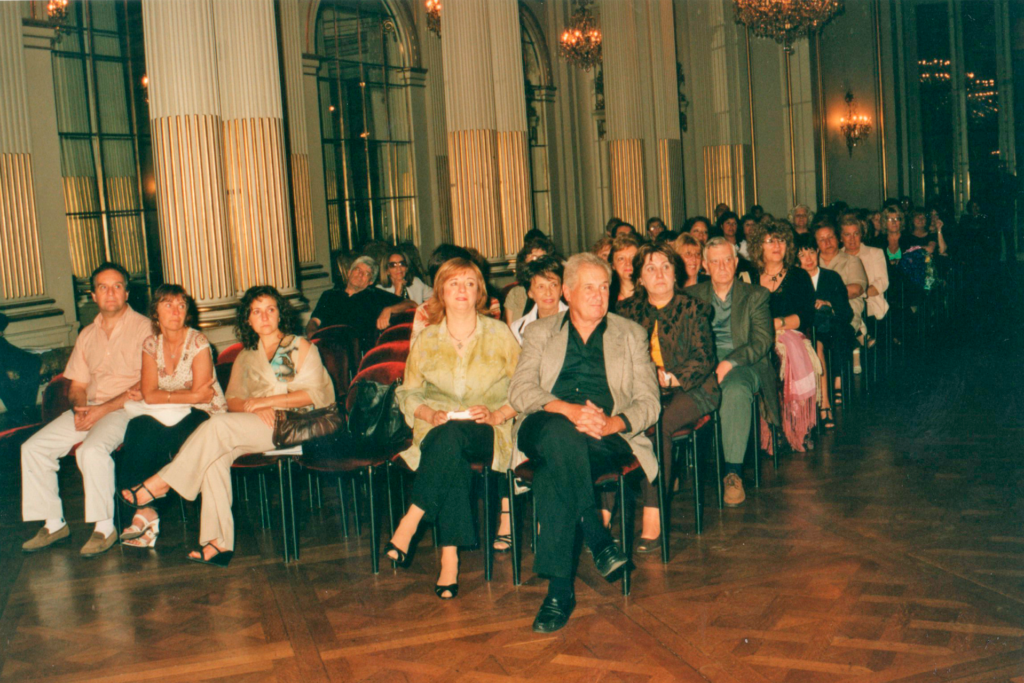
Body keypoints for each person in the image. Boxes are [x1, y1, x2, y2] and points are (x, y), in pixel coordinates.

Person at [122, 286, 334, 567]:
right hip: (258, 425)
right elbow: (232, 400)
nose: (264, 317)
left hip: (296, 423)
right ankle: (218, 542)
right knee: (215, 455)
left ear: (280, 314)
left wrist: (266, 403)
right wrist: (252, 407)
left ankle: (162, 483)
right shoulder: (247, 355)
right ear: (248, 319)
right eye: (256, 312)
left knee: (217, 428)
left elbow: (316, 394)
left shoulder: (297, 345)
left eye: (270, 309)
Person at [510, 252, 660, 633]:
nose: (599, 295)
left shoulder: (630, 334)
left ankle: (559, 593)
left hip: (602, 437)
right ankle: (597, 537)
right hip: (544, 427)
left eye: (605, 287)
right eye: (589, 287)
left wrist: (613, 424)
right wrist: (568, 410)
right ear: (567, 291)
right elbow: (520, 390)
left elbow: (649, 402)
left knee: (551, 474)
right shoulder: (541, 333)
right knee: (560, 433)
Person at [386, 259, 520, 599]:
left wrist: (497, 414)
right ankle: (449, 560)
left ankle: (411, 521)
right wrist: (428, 412)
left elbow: (524, 388)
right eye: (454, 283)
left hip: (486, 429)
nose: (462, 290)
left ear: (479, 292)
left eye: (470, 283)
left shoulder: (500, 333)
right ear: (441, 293)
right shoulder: (427, 339)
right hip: (439, 428)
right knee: (449, 450)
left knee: (450, 444)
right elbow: (408, 392)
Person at [21, 262, 151, 556]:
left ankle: (104, 528)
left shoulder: (145, 328)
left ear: (127, 292)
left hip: (127, 409)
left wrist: (100, 411)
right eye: (103, 287)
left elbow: (145, 385)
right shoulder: (86, 335)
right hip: (90, 408)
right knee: (33, 448)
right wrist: (80, 408)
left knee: (90, 451)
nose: (110, 293)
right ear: (93, 296)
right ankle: (54, 523)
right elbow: (77, 384)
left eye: (117, 286)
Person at [617, 243, 718, 550]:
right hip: (644, 391)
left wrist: (673, 376)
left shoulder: (695, 308)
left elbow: (704, 356)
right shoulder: (625, 311)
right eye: (650, 268)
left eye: (665, 267)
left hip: (694, 388)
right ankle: (604, 513)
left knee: (656, 428)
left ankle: (653, 517)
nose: (659, 274)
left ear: (676, 273)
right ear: (639, 279)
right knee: (617, 424)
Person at [117, 284, 227, 549]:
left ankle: (148, 511)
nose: (176, 311)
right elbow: (151, 394)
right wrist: (187, 394)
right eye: (168, 304)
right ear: (155, 312)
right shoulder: (150, 344)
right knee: (138, 428)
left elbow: (202, 399)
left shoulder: (198, 342)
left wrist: (164, 393)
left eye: (181, 305)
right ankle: (144, 513)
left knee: (169, 440)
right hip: (168, 411)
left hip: (205, 415)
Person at [685, 238, 779, 507]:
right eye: (714, 261)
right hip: (702, 367)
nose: (722, 266)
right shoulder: (691, 296)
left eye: (727, 259)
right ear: (705, 265)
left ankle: (733, 473)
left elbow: (761, 341)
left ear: (736, 262)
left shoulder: (756, 294)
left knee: (735, 389)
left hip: (745, 365)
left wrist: (728, 363)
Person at [747, 221, 818, 452]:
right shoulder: (747, 277)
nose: (777, 245)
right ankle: (769, 429)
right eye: (770, 240)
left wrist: (778, 323)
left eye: (781, 240)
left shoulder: (798, 276)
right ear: (759, 246)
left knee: (782, 354)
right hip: (756, 337)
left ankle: (795, 427)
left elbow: (806, 315)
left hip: (789, 333)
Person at [796, 234, 852, 429]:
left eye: (811, 252)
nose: (808, 258)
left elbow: (846, 311)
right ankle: (823, 402)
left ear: (817, 252)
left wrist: (828, 303)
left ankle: (828, 396)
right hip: (805, 329)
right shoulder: (795, 279)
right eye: (802, 255)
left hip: (830, 328)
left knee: (830, 334)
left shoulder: (831, 277)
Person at [306, 254, 415, 349]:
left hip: (354, 353)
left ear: (370, 281)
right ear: (349, 273)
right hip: (325, 346)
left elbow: (411, 304)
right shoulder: (329, 295)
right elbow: (314, 321)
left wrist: (389, 309)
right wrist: (312, 333)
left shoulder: (374, 295)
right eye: (357, 270)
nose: (360, 274)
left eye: (367, 273)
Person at [839, 215, 889, 341]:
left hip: (870, 308)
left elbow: (882, 282)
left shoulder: (875, 253)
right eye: (847, 234)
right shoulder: (837, 257)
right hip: (844, 309)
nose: (852, 239)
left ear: (861, 235)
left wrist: (858, 294)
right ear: (841, 237)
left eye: (856, 234)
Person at [510, 257, 568, 344]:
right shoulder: (518, 328)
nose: (548, 293)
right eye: (541, 287)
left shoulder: (577, 322)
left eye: (553, 285)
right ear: (530, 293)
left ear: (561, 290)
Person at [504, 237, 557, 324]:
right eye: (534, 257)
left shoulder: (552, 291)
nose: (537, 263)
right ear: (524, 261)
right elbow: (510, 331)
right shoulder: (515, 293)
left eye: (542, 257)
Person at [608, 234, 641, 307]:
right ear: (613, 265)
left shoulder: (651, 295)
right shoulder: (607, 298)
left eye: (633, 258)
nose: (628, 263)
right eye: (621, 259)